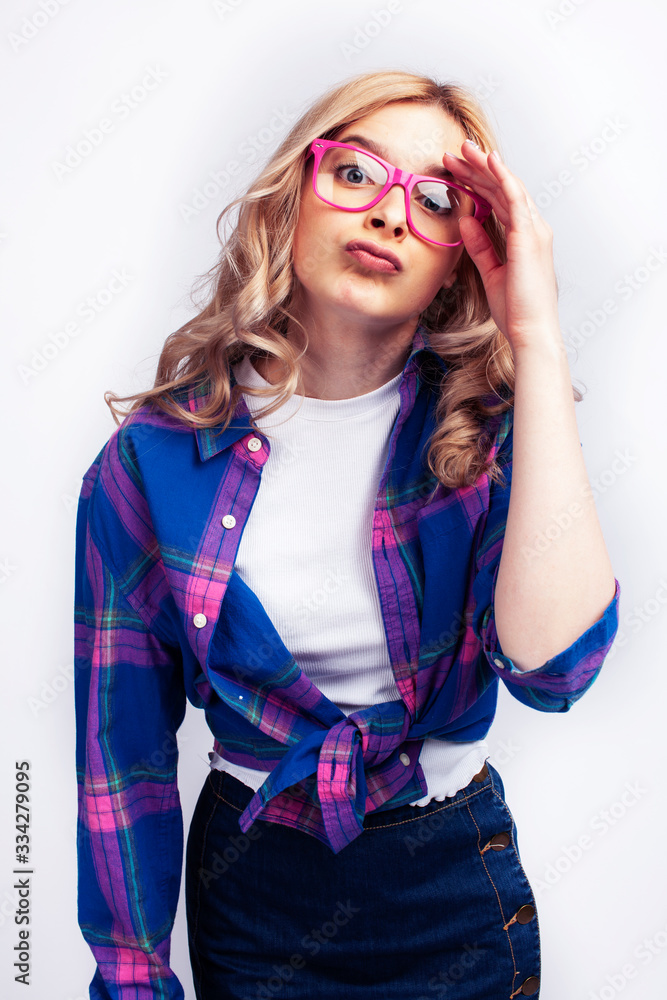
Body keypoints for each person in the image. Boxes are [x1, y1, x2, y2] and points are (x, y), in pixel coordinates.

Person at [74, 69, 620, 1000]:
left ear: (462, 252)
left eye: (437, 199)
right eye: (356, 174)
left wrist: (535, 336)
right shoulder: (145, 466)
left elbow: (554, 673)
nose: (389, 215)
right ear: (293, 194)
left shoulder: (487, 431)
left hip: (451, 884)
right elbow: (120, 760)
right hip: (251, 889)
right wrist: (132, 980)